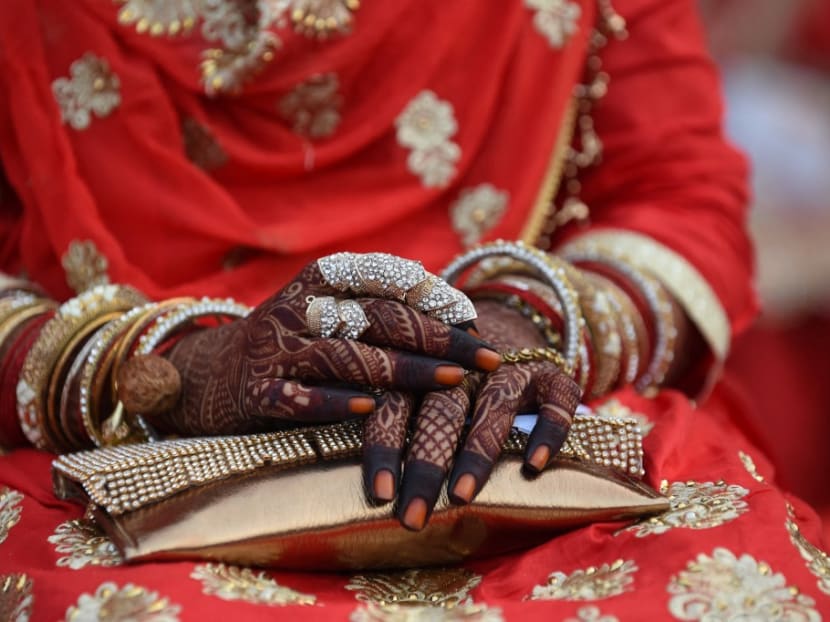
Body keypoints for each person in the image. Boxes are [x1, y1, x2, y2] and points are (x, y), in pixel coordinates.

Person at [0, 0, 827, 619]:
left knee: (735, 591)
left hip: (513, 421)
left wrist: (514, 329)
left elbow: (675, 191)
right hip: (117, 444)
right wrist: (170, 371)